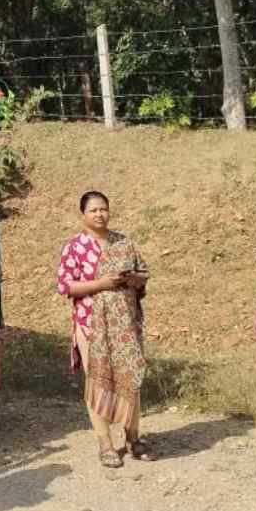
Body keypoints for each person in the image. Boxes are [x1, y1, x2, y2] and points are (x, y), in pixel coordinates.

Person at [56, 190, 152, 467]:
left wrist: (133, 279)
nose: (100, 214)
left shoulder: (124, 243)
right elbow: (66, 286)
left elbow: (144, 275)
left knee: (130, 379)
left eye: (103, 209)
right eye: (94, 210)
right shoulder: (74, 247)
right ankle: (106, 444)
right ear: (83, 214)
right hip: (90, 325)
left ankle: (133, 438)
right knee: (98, 382)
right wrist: (101, 284)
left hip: (125, 325)